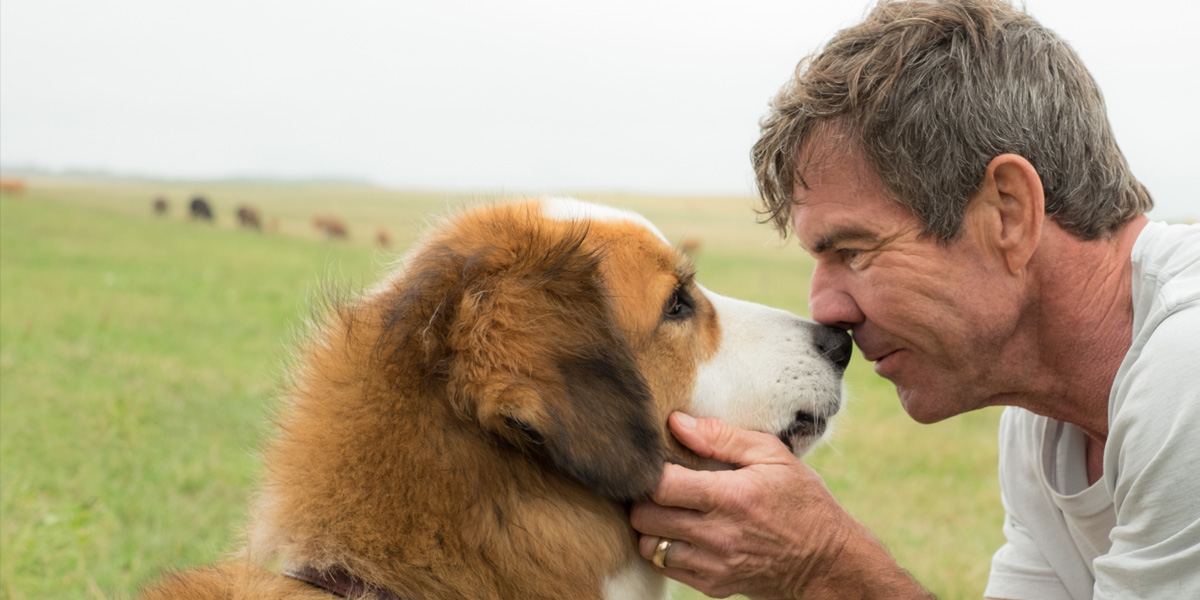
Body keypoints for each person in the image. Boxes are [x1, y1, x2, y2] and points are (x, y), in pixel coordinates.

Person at [629, 0, 1200, 598]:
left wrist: (823, 568)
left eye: (854, 251)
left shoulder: (1184, 369)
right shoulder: (1043, 426)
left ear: (1008, 213)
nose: (825, 308)